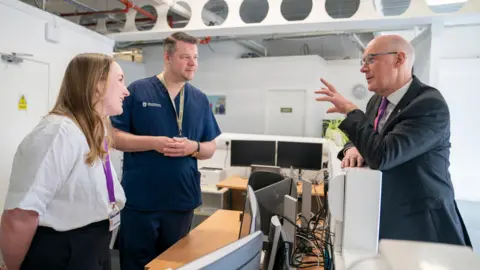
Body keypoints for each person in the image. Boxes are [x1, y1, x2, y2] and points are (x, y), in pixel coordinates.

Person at [315, 35, 471, 246]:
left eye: (370, 59)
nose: (363, 69)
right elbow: (368, 137)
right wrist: (353, 148)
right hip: (386, 216)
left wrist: (351, 111)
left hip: (423, 225)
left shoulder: (428, 105)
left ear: (399, 59)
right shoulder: (376, 101)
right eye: (363, 61)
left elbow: (382, 155)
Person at [0, 53, 130, 270]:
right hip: (63, 253)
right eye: (120, 79)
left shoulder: (91, 131)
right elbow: (20, 215)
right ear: (97, 85)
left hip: (92, 247)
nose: (126, 90)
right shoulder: (58, 132)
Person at [111, 31, 221, 270]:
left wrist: (194, 147)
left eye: (195, 57)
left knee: (174, 264)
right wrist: (153, 143)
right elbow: (114, 137)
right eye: (185, 57)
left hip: (180, 203)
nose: (193, 63)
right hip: (140, 202)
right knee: (135, 264)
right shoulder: (138, 91)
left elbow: (211, 147)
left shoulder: (200, 99)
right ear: (167, 57)